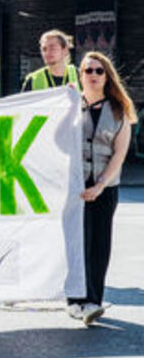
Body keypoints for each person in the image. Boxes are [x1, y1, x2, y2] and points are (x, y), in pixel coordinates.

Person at [67, 52, 135, 326]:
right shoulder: (69, 106)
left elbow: (119, 153)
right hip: (74, 186)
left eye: (99, 71)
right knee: (76, 243)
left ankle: (93, 300)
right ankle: (75, 301)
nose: (93, 75)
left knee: (99, 244)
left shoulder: (119, 110)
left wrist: (100, 185)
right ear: (80, 75)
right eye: (88, 70)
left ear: (107, 76)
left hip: (105, 186)